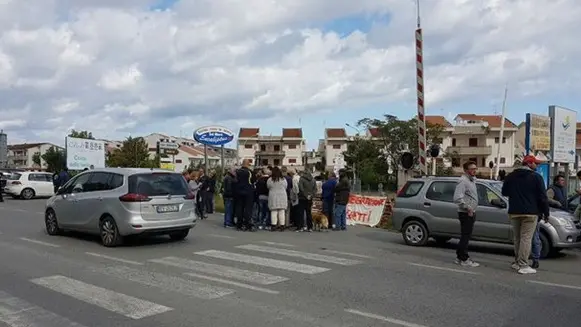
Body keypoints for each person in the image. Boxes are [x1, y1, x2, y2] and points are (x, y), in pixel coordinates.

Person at [501, 155, 549, 274]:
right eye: (535, 164)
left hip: (514, 211)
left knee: (517, 237)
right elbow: (543, 197)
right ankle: (523, 264)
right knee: (526, 238)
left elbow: (504, 192)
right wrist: (546, 213)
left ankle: (517, 262)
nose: (536, 166)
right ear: (529, 163)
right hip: (531, 212)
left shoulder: (511, 176)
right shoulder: (536, 177)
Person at [452, 161, 480, 267]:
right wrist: (467, 207)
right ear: (466, 170)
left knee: (466, 235)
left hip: (471, 212)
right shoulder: (463, 181)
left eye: (475, 168)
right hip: (465, 213)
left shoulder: (472, 180)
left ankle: (459, 257)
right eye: (471, 169)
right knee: (465, 236)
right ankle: (464, 258)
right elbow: (457, 198)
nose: (474, 170)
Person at [235, 159, 255, 231]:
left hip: (238, 192)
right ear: (248, 164)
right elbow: (253, 181)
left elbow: (235, 181)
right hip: (248, 192)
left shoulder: (237, 172)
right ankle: (247, 224)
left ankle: (239, 224)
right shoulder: (250, 172)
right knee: (248, 209)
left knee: (239, 208)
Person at [267, 166, 288, 231]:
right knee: (281, 211)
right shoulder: (283, 179)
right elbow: (285, 186)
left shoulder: (270, 179)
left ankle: (273, 225)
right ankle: (282, 225)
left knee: (274, 211)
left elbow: (268, 186)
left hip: (273, 195)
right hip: (282, 195)